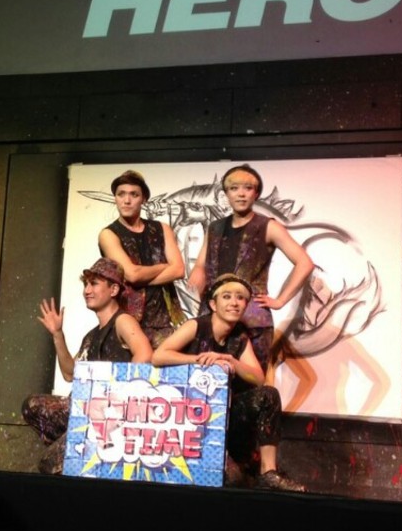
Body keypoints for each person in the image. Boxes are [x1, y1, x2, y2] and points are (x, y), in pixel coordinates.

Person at [154, 273, 306, 491]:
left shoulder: (239, 336)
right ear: (213, 305)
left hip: (221, 415)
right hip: (186, 415)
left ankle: (268, 473)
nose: (234, 303)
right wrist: (201, 360)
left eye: (240, 298)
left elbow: (258, 378)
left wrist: (230, 360)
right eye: (226, 297)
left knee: (268, 394)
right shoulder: (196, 326)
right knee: (232, 479)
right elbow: (159, 356)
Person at [24, 258, 152, 474]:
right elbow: (69, 374)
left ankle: (90, 454)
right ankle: (81, 447)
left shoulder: (123, 321)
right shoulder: (91, 336)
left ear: (113, 290)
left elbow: (145, 353)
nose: (87, 290)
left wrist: (118, 395)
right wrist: (57, 334)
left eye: (94, 284)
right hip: (88, 411)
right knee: (33, 406)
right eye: (86, 284)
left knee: (50, 463)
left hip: (111, 413)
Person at [188, 163, 315, 368]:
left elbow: (305, 263)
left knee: (252, 381)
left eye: (248, 188)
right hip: (213, 318)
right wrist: (197, 273)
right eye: (234, 188)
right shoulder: (215, 227)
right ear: (226, 194)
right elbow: (202, 263)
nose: (241, 194)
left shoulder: (268, 226)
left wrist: (281, 300)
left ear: (256, 194)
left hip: (251, 320)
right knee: (208, 377)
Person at [97, 169, 186, 347]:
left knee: (167, 363)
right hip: (127, 320)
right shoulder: (109, 234)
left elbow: (178, 270)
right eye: (121, 194)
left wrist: (139, 279)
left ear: (144, 199)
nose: (127, 200)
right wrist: (164, 266)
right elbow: (132, 275)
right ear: (115, 198)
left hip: (164, 319)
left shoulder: (162, 229)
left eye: (134, 194)